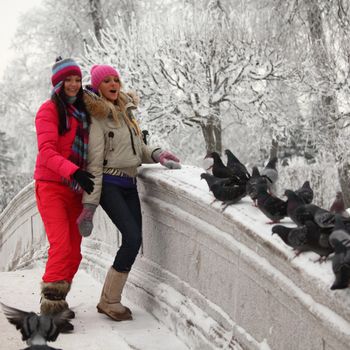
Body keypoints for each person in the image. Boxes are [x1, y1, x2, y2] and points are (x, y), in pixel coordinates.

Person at [77, 64, 181, 321]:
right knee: (133, 238)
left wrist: (158, 154)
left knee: (134, 241)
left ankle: (108, 299)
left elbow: (138, 148)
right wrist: (89, 207)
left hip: (130, 184)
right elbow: (94, 162)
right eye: (107, 81)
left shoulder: (125, 111)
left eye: (116, 80)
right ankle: (110, 301)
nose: (114, 84)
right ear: (97, 86)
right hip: (110, 186)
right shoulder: (98, 118)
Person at [34, 57, 95, 325]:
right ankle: (51, 310)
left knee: (75, 250)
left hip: (74, 189)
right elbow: (46, 153)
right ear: (58, 84)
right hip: (51, 186)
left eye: (77, 79)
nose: (73, 84)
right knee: (61, 245)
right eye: (68, 80)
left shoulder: (83, 112)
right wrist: (74, 171)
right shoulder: (48, 110)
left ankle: (59, 298)